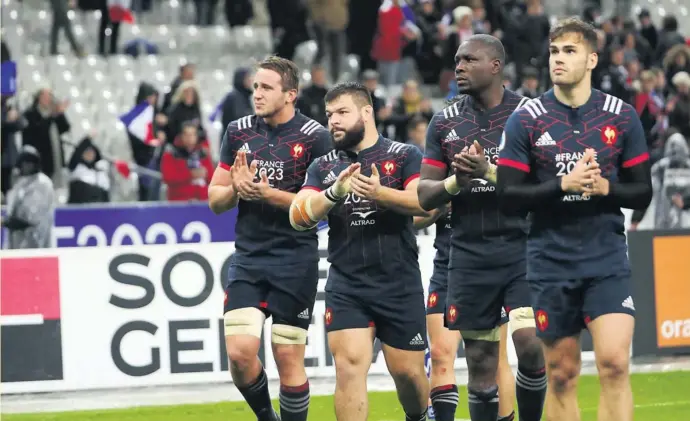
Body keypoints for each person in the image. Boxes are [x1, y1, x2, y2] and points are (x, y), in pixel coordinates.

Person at [497, 17, 653, 421]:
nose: (559, 59)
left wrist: (606, 189)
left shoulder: (620, 116)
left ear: (592, 59)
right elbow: (509, 196)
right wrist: (562, 184)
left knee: (615, 364)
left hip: (606, 260)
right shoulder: (526, 119)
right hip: (549, 262)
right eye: (554, 51)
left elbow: (643, 192)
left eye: (569, 51)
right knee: (563, 375)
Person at [417, 34, 546, 421]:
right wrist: (455, 182)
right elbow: (424, 193)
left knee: (529, 342)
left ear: (495, 66)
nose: (458, 67)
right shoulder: (444, 121)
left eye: (468, 60)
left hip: (521, 246)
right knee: (480, 364)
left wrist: (489, 171)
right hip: (468, 252)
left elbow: (544, 187)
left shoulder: (529, 115)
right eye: (456, 60)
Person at [290, 82, 430, 421]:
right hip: (348, 285)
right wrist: (334, 192)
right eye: (329, 115)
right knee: (349, 368)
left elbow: (423, 205)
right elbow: (298, 215)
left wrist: (381, 194)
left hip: (399, 283)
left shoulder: (404, 155)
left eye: (342, 113)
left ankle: (422, 416)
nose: (333, 122)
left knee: (408, 376)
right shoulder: (322, 167)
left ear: (366, 112)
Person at [208, 56, 332, 421]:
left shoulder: (315, 137)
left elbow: (319, 206)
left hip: (296, 259)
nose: (257, 95)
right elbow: (215, 200)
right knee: (240, 353)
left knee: (287, 356)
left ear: (291, 94)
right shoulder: (238, 131)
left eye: (266, 88)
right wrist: (236, 188)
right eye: (255, 88)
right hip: (249, 258)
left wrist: (268, 194)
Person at [414, 208, 518, 421]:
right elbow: (418, 216)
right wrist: (442, 199)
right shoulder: (442, 174)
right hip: (447, 267)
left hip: (488, 268)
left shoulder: (496, 174)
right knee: (440, 353)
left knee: (496, 359)